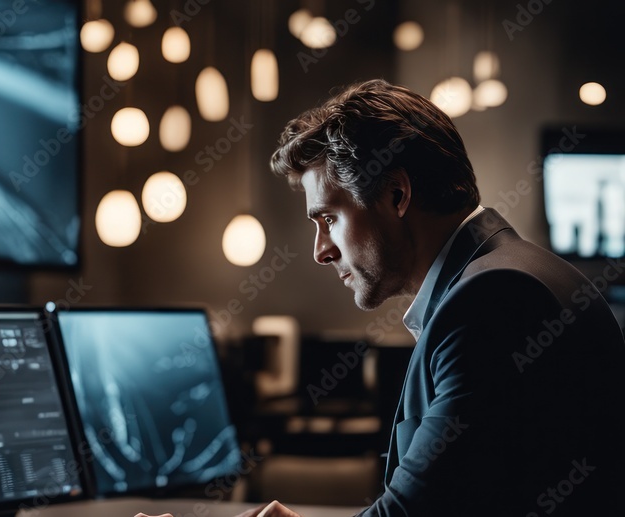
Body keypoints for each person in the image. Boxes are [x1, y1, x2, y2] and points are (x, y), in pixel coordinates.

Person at [139, 79, 625, 516]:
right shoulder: (506, 276)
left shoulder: (493, 300)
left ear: (396, 195)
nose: (321, 251)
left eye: (328, 218)